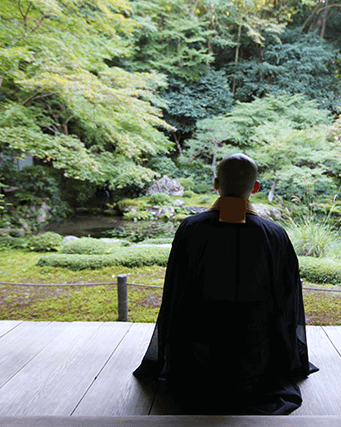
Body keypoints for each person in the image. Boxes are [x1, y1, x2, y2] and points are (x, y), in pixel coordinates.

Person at [133, 153, 317, 415]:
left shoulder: (190, 228)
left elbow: (175, 291)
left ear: (216, 184)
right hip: (257, 351)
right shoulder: (275, 234)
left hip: (197, 352)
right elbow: (287, 297)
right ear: (256, 188)